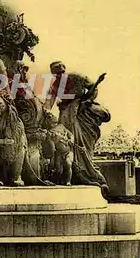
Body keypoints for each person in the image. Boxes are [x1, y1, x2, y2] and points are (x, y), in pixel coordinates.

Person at [47, 61, 111, 190]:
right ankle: (69, 174)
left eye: (61, 72)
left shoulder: (77, 76)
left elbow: (94, 87)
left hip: (81, 111)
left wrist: (88, 101)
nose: (60, 75)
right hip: (66, 113)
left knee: (84, 142)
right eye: (57, 74)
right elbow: (49, 102)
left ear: (64, 70)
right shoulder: (55, 85)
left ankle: (86, 172)